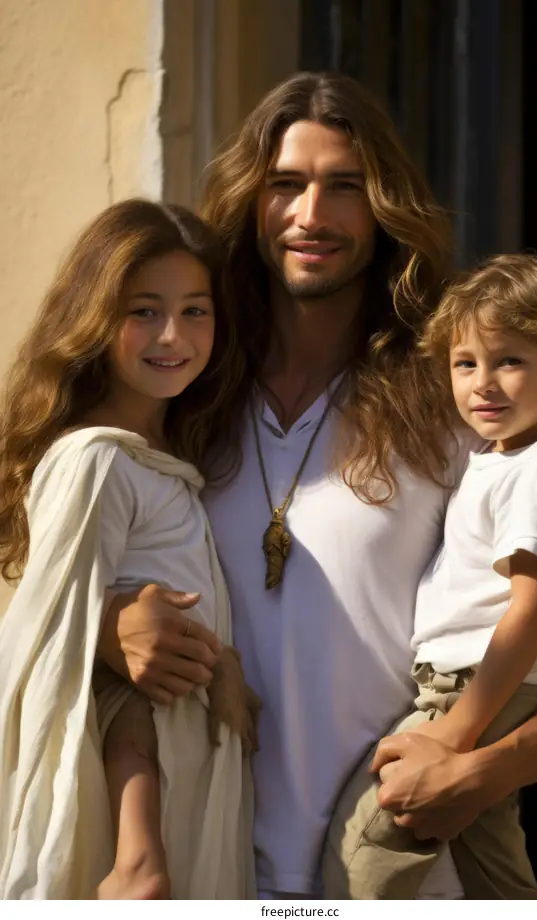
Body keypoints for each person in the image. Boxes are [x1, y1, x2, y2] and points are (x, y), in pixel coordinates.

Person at [97, 73, 537, 899]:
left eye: (346, 187)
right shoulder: (185, 383)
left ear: (385, 204)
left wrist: (480, 772)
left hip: (400, 868)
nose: (311, 217)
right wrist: (110, 625)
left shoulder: (463, 392)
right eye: (285, 185)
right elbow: (50, 566)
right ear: (250, 201)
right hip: (203, 863)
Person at [0, 199, 258, 900]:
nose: (172, 334)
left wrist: (223, 667)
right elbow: (45, 637)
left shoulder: (165, 458)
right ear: (94, 317)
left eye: (195, 310)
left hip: (190, 759)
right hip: (133, 790)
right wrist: (111, 624)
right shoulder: (95, 461)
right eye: (143, 310)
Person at [321, 253, 537, 898]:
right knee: (493, 874)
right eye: (465, 363)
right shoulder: (504, 455)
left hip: (475, 688)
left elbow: (531, 609)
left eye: (511, 360)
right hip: (474, 686)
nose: (484, 384)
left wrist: (456, 727)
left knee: (362, 855)